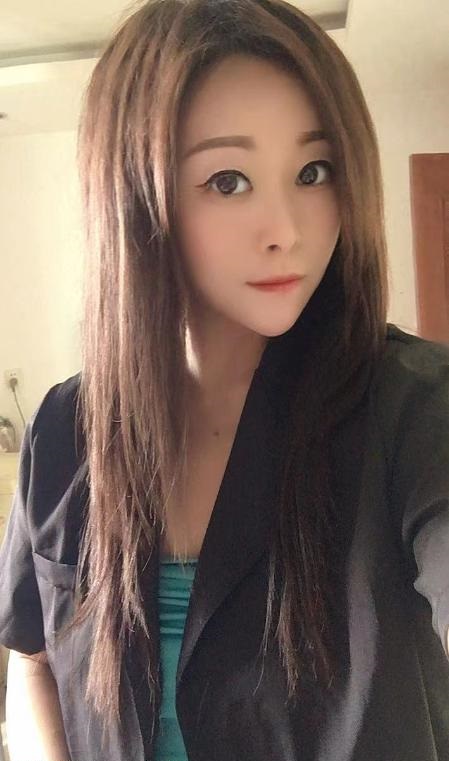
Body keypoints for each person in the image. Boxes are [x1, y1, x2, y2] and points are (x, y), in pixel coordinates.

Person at [1, 0, 448, 759]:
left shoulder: (416, 409)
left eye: (313, 172)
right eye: (229, 180)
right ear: (134, 201)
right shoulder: (67, 425)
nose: (288, 229)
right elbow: (33, 660)